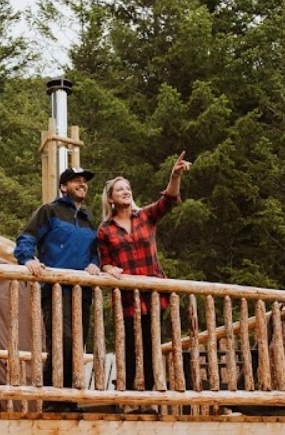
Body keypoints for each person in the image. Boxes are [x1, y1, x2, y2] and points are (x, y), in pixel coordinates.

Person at [97, 151, 191, 393]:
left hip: (152, 295)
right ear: (111, 198)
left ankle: (150, 393)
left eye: (128, 188)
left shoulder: (146, 217)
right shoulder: (105, 230)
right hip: (127, 298)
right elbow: (104, 262)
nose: (126, 191)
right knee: (128, 346)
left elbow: (168, 200)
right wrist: (108, 269)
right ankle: (127, 392)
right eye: (120, 189)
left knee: (151, 345)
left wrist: (175, 176)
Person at [14, 166, 101, 407]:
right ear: (64, 187)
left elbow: (96, 254)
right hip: (55, 289)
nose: (82, 184)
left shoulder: (89, 222)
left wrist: (95, 264)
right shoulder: (49, 211)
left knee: (76, 345)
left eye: (84, 181)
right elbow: (26, 238)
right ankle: (54, 399)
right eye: (76, 181)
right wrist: (28, 258)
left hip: (81, 292)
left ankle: (68, 399)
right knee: (61, 340)